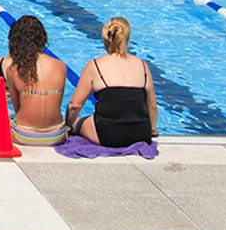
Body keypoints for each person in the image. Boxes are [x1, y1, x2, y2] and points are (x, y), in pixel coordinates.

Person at [65, 16, 157, 148]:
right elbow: (152, 105)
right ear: (127, 38)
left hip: (107, 135)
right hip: (141, 134)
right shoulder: (142, 65)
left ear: (105, 38)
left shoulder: (95, 65)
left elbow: (75, 105)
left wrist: (68, 126)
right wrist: (152, 130)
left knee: (77, 123)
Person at [0, 14, 69, 147]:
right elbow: (57, 103)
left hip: (24, 136)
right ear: (42, 39)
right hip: (57, 135)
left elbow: (17, 110)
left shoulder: (13, 69)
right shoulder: (60, 65)